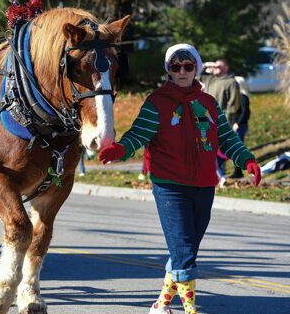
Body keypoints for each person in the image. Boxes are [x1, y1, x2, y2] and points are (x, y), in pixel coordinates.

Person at [98, 44, 262, 314]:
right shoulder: (157, 102)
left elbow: (227, 138)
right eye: (175, 67)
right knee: (184, 251)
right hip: (170, 187)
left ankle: (160, 306)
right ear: (169, 70)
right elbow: (137, 134)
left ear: (196, 68)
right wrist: (120, 149)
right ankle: (190, 310)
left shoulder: (208, 103)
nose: (182, 71)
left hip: (205, 186)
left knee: (183, 252)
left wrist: (247, 159)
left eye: (188, 66)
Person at [200, 59, 240, 181]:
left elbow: (233, 104)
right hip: (205, 121)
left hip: (221, 121)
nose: (215, 68)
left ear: (226, 68)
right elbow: (197, 75)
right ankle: (214, 175)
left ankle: (220, 175)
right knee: (207, 149)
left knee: (220, 150)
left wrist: (226, 121)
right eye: (214, 66)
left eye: (219, 66)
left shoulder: (231, 82)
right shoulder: (209, 79)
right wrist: (207, 65)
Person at [230, 76, 251, 178]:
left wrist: (237, 123)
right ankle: (237, 171)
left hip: (239, 126)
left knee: (237, 149)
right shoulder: (239, 96)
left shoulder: (243, 96)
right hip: (238, 125)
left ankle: (238, 172)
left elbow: (244, 112)